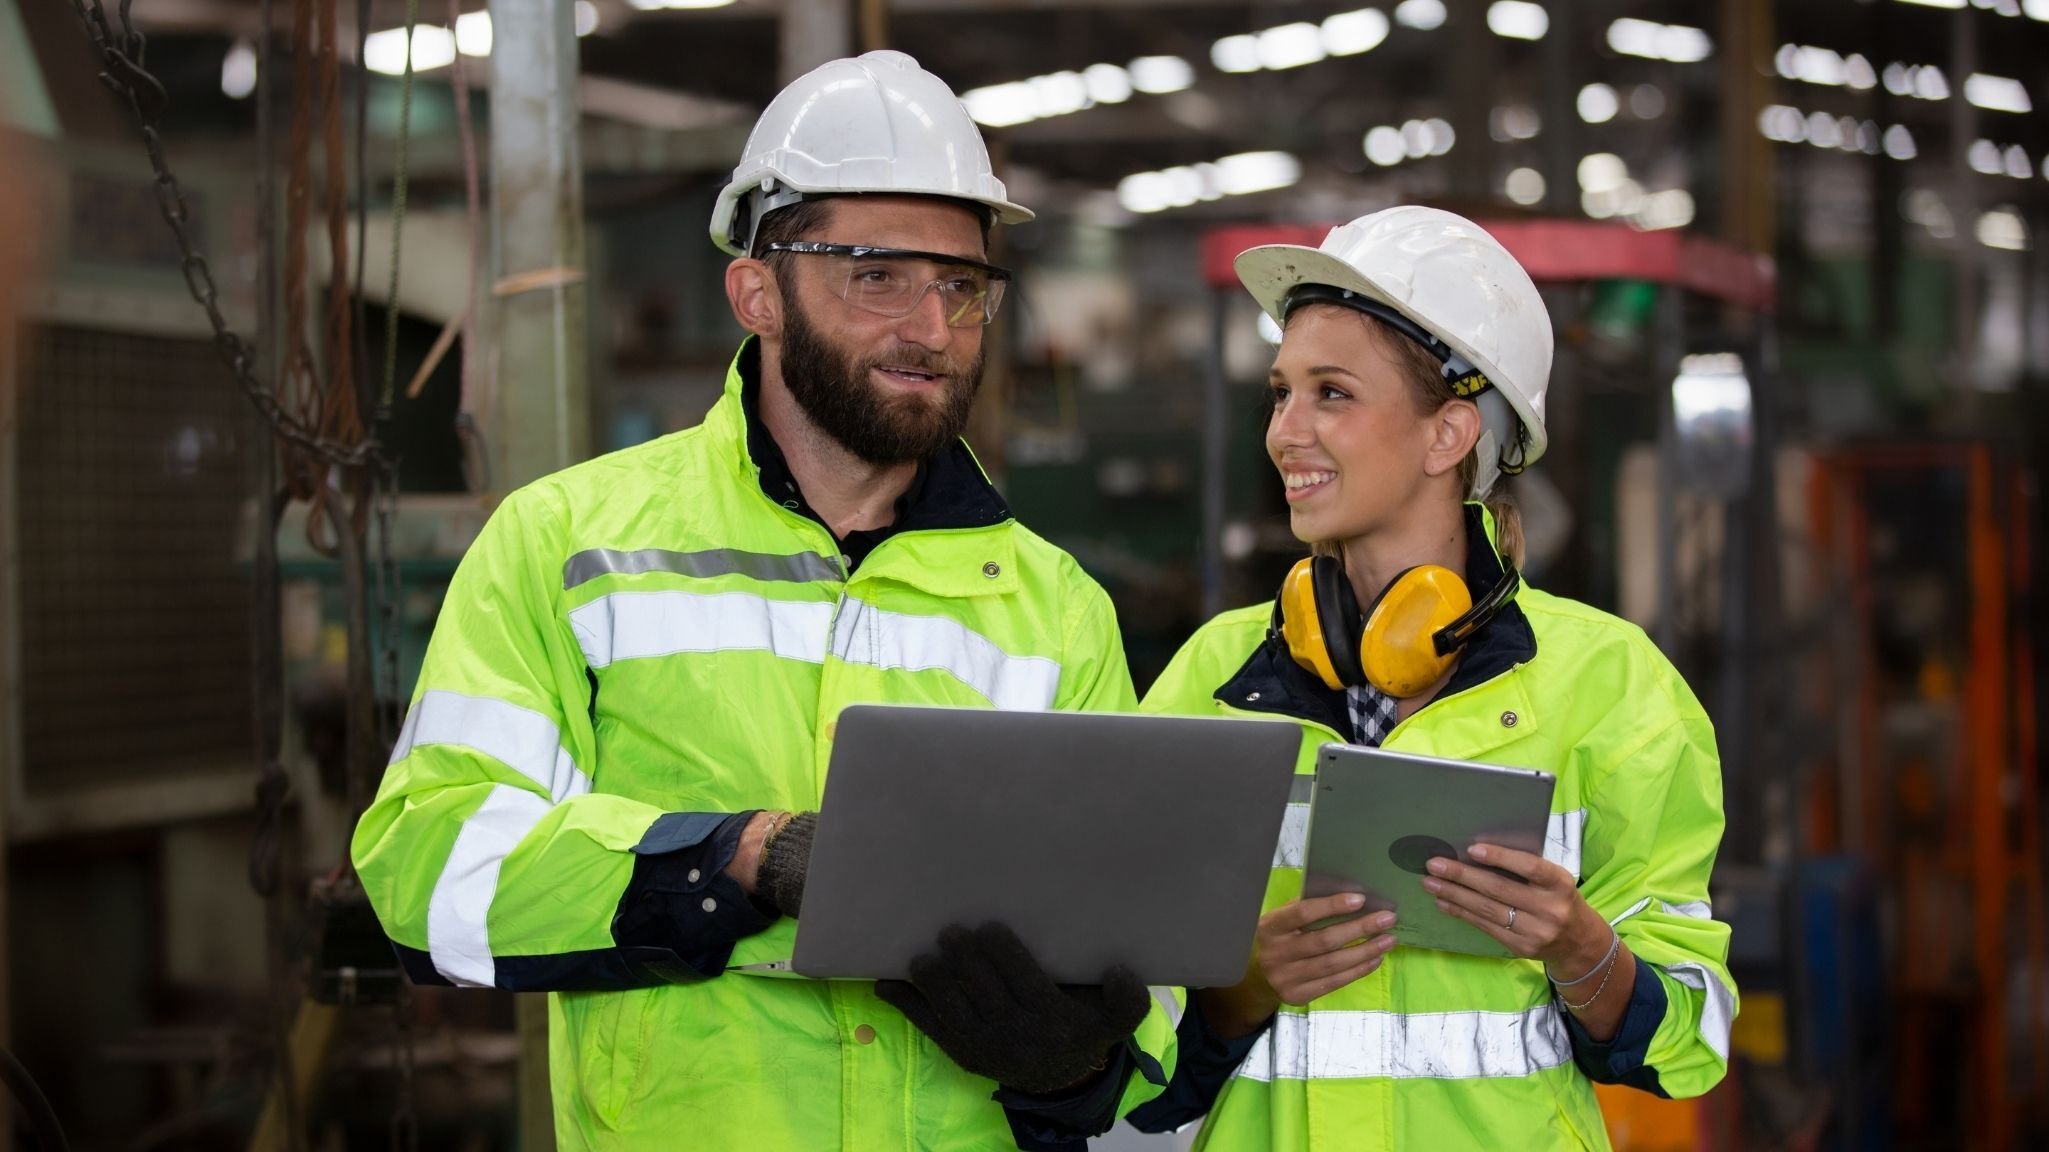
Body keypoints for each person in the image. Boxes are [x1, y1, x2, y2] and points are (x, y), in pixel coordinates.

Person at [352, 51, 1175, 1151]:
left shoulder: (1054, 605)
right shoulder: (568, 548)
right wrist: (735, 858)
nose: (932, 328)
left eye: (962, 285)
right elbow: (426, 865)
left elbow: (1137, 963)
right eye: (876, 274)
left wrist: (1076, 1067)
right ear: (757, 292)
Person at [1127, 207, 1736, 1149]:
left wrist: (1582, 950)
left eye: (1331, 393)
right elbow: (1118, 1030)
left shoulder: (1609, 685)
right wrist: (1240, 988)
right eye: (1280, 393)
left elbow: (1691, 1035)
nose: (1285, 431)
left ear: (1447, 434)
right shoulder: (1214, 675)